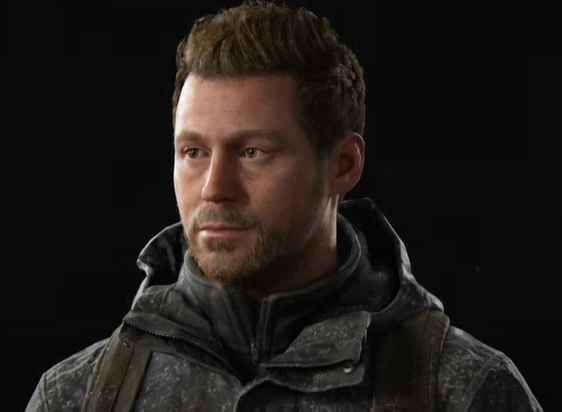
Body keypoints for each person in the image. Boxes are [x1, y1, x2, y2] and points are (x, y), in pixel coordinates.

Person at [27, 1, 543, 411]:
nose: (214, 188)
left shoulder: (461, 390)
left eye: (253, 152)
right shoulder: (77, 395)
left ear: (342, 164)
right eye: (194, 152)